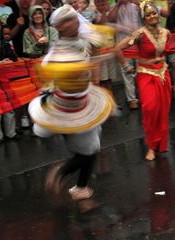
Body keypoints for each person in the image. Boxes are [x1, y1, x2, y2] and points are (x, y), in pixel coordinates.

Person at [28, 4, 116, 200]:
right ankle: (62, 174)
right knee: (89, 150)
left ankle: (80, 188)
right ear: (61, 27)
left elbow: (99, 37)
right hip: (70, 109)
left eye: (75, 18)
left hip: (84, 101)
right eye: (70, 20)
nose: (76, 21)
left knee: (92, 147)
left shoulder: (81, 39)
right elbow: (52, 68)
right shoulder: (60, 50)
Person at [115, 0, 171, 160]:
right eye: (148, 15)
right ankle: (151, 146)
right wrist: (126, 67)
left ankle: (160, 144)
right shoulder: (140, 34)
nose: (152, 16)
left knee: (162, 111)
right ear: (144, 18)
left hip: (163, 74)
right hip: (146, 75)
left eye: (154, 13)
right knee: (150, 109)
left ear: (158, 14)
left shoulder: (165, 33)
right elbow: (118, 48)